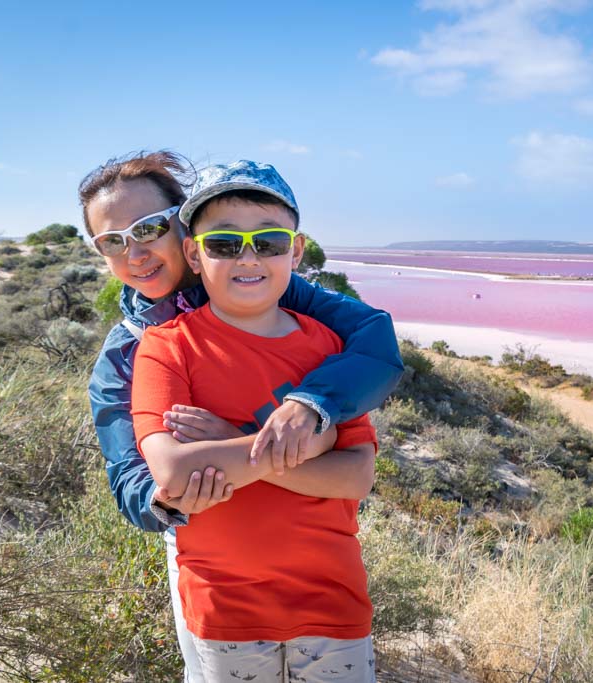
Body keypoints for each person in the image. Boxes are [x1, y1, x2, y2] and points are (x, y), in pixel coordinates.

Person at [82, 152, 401, 681]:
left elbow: (375, 341)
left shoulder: (278, 291)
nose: (134, 253)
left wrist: (306, 408)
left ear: (181, 225)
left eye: (148, 228)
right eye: (112, 241)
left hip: (322, 577)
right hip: (211, 557)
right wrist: (167, 496)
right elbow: (134, 476)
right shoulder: (128, 352)